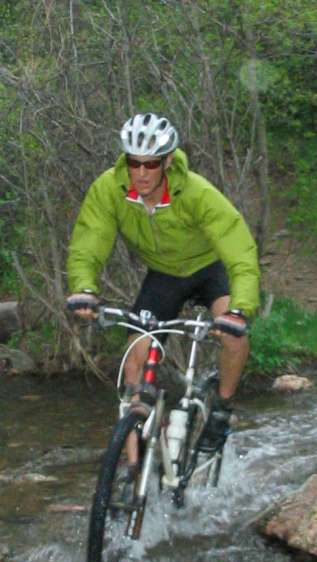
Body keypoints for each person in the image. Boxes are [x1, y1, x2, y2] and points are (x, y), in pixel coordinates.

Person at [66, 112, 260, 468]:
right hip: (165, 276)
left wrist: (240, 308)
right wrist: (83, 288)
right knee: (134, 365)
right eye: (134, 163)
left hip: (211, 268)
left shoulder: (197, 193)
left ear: (167, 161)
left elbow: (239, 249)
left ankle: (221, 408)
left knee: (232, 336)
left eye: (150, 164)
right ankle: (133, 476)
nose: (140, 173)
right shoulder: (111, 188)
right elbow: (89, 241)